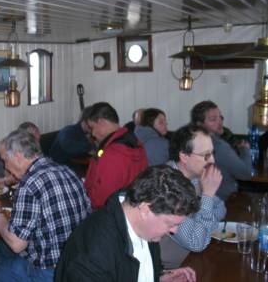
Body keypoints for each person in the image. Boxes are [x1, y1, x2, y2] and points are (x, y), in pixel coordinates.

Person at [0, 129, 91, 282]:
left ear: (17, 156)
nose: (6, 167)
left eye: (5, 161)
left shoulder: (29, 184)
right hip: (77, 265)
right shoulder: (68, 171)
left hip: (48, 272)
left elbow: (16, 244)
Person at [55, 165, 199, 282]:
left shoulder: (145, 227)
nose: (175, 231)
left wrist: (160, 277)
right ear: (145, 209)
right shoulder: (92, 253)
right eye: (170, 224)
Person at [160, 124, 226, 268]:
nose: (212, 160)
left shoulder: (195, 178)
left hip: (193, 261)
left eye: (212, 153)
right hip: (170, 270)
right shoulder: (166, 186)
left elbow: (221, 209)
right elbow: (197, 242)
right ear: (184, 156)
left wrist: (201, 223)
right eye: (206, 155)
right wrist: (207, 196)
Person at [84, 102, 148, 209]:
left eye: (93, 128)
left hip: (109, 214)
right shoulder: (136, 143)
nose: (93, 134)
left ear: (101, 122)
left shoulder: (112, 154)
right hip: (132, 209)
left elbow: (101, 200)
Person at [191, 100, 252, 200]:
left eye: (220, 117)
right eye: (213, 119)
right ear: (200, 124)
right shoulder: (219, 146)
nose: (219, 122)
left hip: (197, 199)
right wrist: (245, 151)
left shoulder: (189, 140)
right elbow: (246, 174)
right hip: (223, 201)